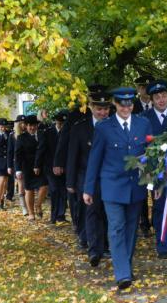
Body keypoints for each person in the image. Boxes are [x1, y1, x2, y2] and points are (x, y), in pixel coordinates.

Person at [83, 87, 152, 290]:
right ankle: (122, 273)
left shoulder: (143, 124)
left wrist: (153, 182)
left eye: (129, 104)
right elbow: (94, 160)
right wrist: (88, 188)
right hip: (112, 186)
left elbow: (150, 157)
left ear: (133, 104)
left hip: (135, 186)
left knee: (131, 228)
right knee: (116, 227)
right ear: (115, 104)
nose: (126, 107)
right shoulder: (104, 128)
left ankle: (125, 266)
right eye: (122, 104)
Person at [66, 89, 112, 265]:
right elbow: (73, 155)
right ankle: (94, 250)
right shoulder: (80, 127)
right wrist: (70, 181)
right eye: (99, 108)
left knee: (107, 212)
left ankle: (106, 245)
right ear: (91, 107)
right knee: (91, 212)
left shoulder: (114, 126)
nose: (102, 112)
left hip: (108, 177)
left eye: (106, 108)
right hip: (86, 177)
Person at [142, 79, 167, 259]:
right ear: (152, 100)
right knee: (160, 207)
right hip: (157, 171)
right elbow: (143, 148)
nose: (161, 100)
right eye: (157, 97)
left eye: (163, 96)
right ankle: (163, 244)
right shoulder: (145, 118)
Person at [36, 110, 68, 224]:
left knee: (63, 191)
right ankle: (54, 216)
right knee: (54, 190)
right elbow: (41, 149)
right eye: (59, 122)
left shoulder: (68, 132)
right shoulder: (48, 132)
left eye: (63, 123)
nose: (61, 125)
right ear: (56, 121)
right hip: (50, 166)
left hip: (64, 168)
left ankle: (61, 215)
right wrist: (37, 165)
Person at [15, 115, 49, 221]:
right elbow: (17, 155)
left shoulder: (43, 134)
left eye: (34, 125)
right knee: (29, 190)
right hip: (27, 167)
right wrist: (18, 170)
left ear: (37, 125)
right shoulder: (21, 137)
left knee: (44, 186)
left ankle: (38, 205)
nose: (32, 128)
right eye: (29, 125)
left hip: (41, 166)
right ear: (26, 126)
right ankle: (31, 213)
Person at [133, 74, 155, 238]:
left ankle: (156, 219)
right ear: (138, 89)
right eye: (142, 87)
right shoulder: (132, 106)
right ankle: (144, 222)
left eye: (148, 87)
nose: (145, 90)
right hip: (139, 154)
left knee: (156, 190)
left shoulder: (160, 103)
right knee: (141, 192)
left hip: (157, 155)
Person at [8, 114, 28, 215]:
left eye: (25, 123)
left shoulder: (28, 134)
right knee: (21, 184)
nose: (23, 125)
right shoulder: (13, 135)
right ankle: (24, 207)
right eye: (22, 123)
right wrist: (9, 166)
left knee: (27, 185)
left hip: (28, 162)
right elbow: (10, 152)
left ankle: (29, 205)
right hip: (18, 163)